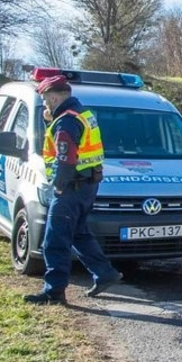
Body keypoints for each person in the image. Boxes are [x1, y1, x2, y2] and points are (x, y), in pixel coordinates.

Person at [24, 75, 122, 304]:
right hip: (87, 185)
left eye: (46, 100)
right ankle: (105, 273)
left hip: (71, 187)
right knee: (78, 233)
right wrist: (50, 121)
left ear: (55, 97)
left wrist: (58, 188)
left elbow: (66, 158)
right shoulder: (82, 114)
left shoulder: (66, 122)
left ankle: (54, 292)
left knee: (54, 240)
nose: (45, 105)